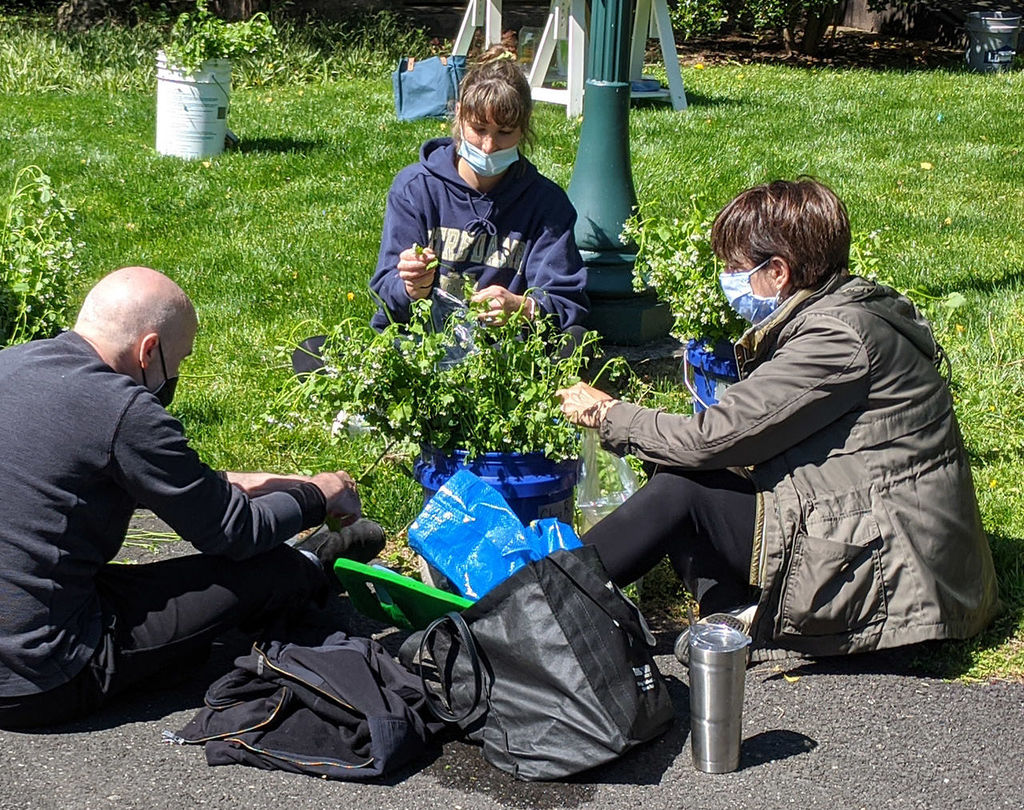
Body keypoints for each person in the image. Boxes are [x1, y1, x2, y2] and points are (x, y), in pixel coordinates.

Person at [0, 266, 385, 729]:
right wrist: (319, 495)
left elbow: (150, 477)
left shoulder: (13, 364)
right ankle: (307, 565)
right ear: (148, 351)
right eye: (178, 359)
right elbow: (233, 532)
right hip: (32, 678)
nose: (174, 376)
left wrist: (266, 482)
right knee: (258, 572)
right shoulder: (126, 410)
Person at [556, 178, 998, 661]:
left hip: (898, 588)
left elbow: (711, 437)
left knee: (682, 484)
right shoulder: (844, 310)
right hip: (886, 545)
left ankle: (546, 603)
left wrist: (608, 414)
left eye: (734, 268)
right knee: (686, 470)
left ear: (779, 272)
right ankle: (729, 620)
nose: (727, 278)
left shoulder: (836, 339)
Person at [370, 48, 588, 334]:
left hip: (506, 350)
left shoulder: (546, 204)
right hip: (425, 343)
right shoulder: (416, 188)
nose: (488, 146)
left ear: (523, 129)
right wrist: (412, 287)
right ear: (459, 115)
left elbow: (566, 299)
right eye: (479, 129)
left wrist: (524, 307)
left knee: (575, 340)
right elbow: (385, 289)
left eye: (504, 133)